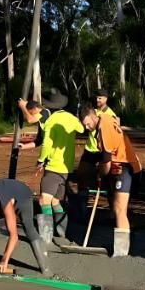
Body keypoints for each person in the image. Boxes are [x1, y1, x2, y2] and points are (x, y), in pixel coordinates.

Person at [80, 101, 142, 256]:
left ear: (92, 117)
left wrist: (100, 173)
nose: (86, 128)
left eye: (87, 124)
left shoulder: (104, 127)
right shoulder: (103, 119)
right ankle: (126, 239)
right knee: (116, 208)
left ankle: (121, 252)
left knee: (120, 209)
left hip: (125, 165)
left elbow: (106, 162)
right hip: (118, 165)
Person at [34, 99, 83, 239]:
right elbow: (81, 129)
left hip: (53, 166)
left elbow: (47, 144)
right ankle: (62, 230)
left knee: (44, 200)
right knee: (55, 201)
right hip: (66, 168)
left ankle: (46, 234)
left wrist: (40, 160)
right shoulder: (71, 118)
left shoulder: (51, 121)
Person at [77, 87, 120, 200]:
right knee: (81, 173)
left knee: (108, 177)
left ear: (106, 99)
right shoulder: (93, 112)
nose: (97, 100)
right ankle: (82, 198)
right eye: (96, 98)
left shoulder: (111, 114)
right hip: (91, 149)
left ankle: (112, 202)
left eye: (100, 98)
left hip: (103, 149)